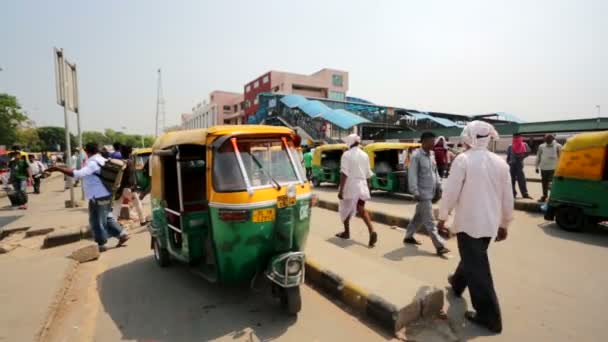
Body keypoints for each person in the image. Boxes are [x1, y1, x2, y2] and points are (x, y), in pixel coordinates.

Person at [437, 121, 513, 334]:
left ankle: (490, 317)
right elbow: (508, 199)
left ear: (469, 137)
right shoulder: (501, 164)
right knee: (474, 257)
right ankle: (457, 283)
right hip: (489, 224)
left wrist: (442, 217)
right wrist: (504, 224)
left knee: (478, 268)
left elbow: (450, 192)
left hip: (469, 223)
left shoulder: (463, 160)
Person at [47, 143, 129, 252]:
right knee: (107, 217)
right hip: (107, 193)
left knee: (96, 220)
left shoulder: (93, 163)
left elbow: (78, 174)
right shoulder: (102, 159)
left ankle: (101, 244)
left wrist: (58, 168)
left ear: (86, 151)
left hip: (98, 196)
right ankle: (122, 234)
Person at [403, 132, 450, 256]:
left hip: (431, 191)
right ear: (423, 141)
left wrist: (440, 185)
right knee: (429, 221)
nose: (433, 144)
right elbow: (412, 174)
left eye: (434, 141)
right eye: (431, 141)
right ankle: (440, 246)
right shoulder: (416, 156)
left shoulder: (432, 155)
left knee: (418, 218)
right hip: (422, 193)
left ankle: (408, 236)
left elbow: (435, 172)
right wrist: (415, 191)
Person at [335, 133, 378, 248]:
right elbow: (368, 174)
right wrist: (368, 187)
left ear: (350, 142)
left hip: (350, 186)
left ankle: (346, 232)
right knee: (361, 209)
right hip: (362, 185)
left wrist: (341, 190)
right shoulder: (364, 155)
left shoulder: (346, 155)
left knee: (345, 209)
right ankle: (371, 229)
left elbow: (344, 173)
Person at [112, 145, 147, 226]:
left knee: (117, 205)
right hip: (129, 189)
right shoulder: (130, 162)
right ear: (130, 152)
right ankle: (143, 221)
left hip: (122, 188)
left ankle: (112, 222)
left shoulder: (123, 162)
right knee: (138, 204)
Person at [535, 134, 562, 202]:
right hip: (544, 168)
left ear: (552, 139)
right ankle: (544, 196)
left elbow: (561, 157)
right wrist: (536, 167)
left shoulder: (558, 146)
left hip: (554, 168)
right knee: (544, 183)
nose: (547, 141)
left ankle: (553, 197)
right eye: (546, 140)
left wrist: (560, 168)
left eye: (549, 140)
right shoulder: (541, 146)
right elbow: (538, 156)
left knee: (553, 184)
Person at [506, 133, 531, 199]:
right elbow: (508, 156)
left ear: (520, 137)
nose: (516, 138)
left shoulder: (524, 144)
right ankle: (513, 193)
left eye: (517, 136)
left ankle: (525, 194)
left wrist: (522, 156)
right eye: (515, 136)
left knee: (522, 180)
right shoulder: (510, 146)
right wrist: (508, 163)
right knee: (511, 180)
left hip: (519, 164)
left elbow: (528, 152)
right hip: (511, 165)